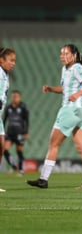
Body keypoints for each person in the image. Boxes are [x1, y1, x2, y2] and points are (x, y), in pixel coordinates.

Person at [27, 44, 82, 189]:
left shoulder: (77, 68)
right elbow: (66, 89)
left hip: (71, 110)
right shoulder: (66, 69)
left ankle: (43, 179)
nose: (62, 56)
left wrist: (77, 94)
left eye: (66, 53)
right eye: (61, 53)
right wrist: (51, 88)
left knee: (53, 144)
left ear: (74, 55)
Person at [0, 47, 17, 192]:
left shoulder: (5, 75)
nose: (13, 63)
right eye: (11, 60)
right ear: (2, 60)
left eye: (14, 61)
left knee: (1, 146)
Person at [3, 90, 29, 176]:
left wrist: (26, 132)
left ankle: (21, 169)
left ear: (19, 97)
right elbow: (4, 120)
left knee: (19, 151)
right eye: (13, 96)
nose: (14, 98)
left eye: (16, 96)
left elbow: (26, 120)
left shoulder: (23, 106)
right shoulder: (8, 107)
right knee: (4, 149)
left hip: (20, 133)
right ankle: (14, 166)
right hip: (9, 133)